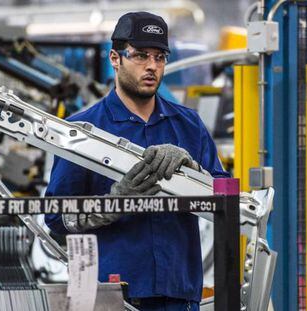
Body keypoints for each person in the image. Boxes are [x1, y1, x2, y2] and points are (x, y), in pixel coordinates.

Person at [45, 11, 230, 311]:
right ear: (115, 59)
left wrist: (193, 172)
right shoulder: (83, 131)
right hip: (112, 297)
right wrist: (113, 203)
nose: (152, 66)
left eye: (160, 57)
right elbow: (56, 217)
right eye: (141, 55)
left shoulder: (188, 125)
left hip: (178, 295)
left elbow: (224, 200)